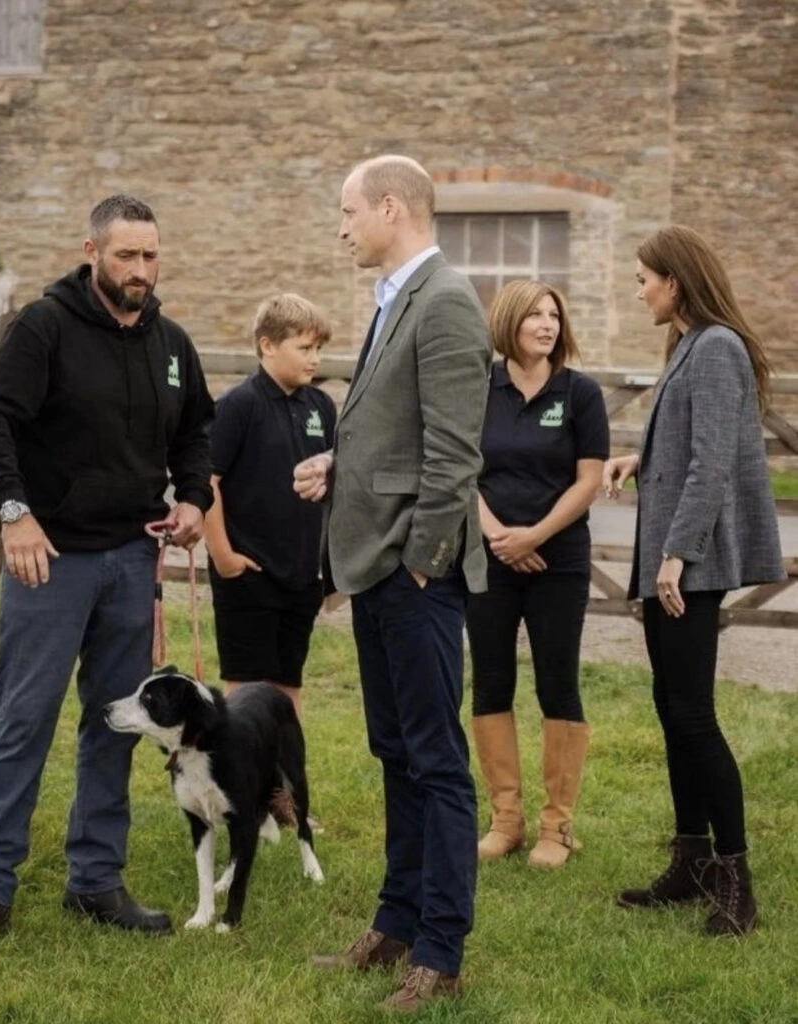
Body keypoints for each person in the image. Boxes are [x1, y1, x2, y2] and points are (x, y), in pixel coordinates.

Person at [0, 195, 214, 947]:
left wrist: (192, 499)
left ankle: (95, 881)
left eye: (151, 256)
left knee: (116, 725)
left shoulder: (171, 343)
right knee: (23, 722)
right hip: (49, 561)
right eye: (126, 255)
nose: (140, 270)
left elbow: (196, 432)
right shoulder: (44, 328)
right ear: (91, 251)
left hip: (132, 559)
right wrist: (15, 511)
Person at [294, 155, 492, 1013]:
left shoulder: (445, 300)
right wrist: (340, 461)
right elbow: (402, 428)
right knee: (394, 753)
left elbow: (454, 453)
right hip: (376, 568)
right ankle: (397, 920)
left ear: (388, 207)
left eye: (346, 212)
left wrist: (417, 559)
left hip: (416, 573)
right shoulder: (392, 298)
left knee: (436, 763)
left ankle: (440, 951)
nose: (340, 227)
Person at [604, 225, 784, 937]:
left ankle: (734, 881)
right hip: (674, 557)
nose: (638, 287)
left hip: (688, 562)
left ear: (674, 281)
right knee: (670, 705)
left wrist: (675, 554)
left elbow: (711, 465)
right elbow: (683, 450)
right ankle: (690, 860)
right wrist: (635, 460)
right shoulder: (688, 346)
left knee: (692, 716)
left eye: (644, 276)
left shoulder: (714, 349)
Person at [466, 280, 609, 869]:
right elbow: (460, 470)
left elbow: (589, 479)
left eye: (554, 315)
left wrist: (535, 535)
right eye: (534, 316)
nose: (547, 325)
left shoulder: (581, 393)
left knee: (558, 682)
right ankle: (506, 819)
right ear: (508, 323)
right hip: (489, 555)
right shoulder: (480, 387)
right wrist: (500, 536)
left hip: (559, 561)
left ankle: (558, 826)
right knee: (491, 679)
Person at [204, 293, 336, 720]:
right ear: (267, 345)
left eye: (319, 349)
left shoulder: (321, 406)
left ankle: (285, 784)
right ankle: (244, 783)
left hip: (300, 575)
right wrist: (223, 556)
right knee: (247, 692)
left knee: (287, 685)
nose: (314, 359)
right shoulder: (238, 406)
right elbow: (208, 482)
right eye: (304, 348)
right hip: (249, 573)